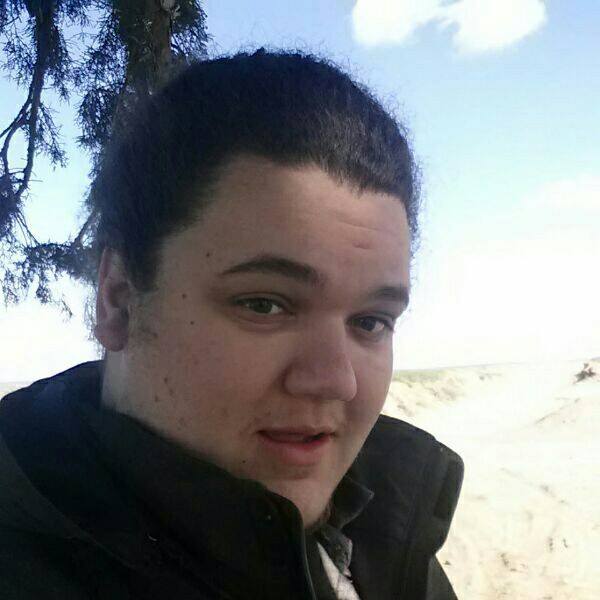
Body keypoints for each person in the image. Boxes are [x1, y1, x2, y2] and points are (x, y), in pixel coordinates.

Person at [0, 50, 463, 599]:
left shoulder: (386, 531)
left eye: (370, 321)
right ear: (119, 300)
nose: (337, 380)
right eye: (264, 304)